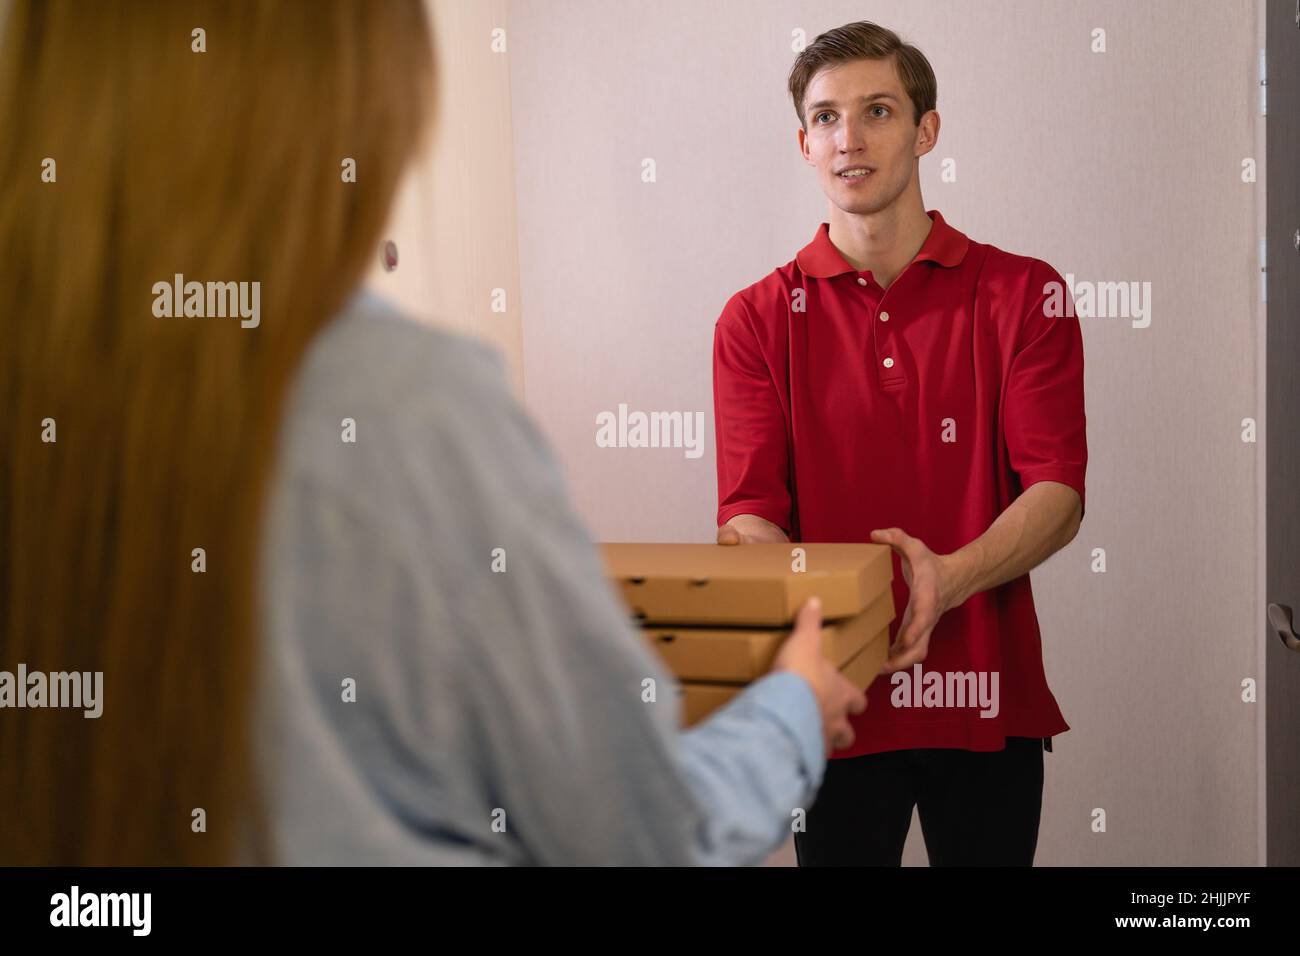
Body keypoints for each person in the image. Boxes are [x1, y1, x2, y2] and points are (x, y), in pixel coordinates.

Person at [0, 0, 863, 866]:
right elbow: (643, 837)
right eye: (825, 116)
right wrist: (790, 708)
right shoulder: (407, 400)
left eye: (873, 111)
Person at [714, 21, 1087, 866]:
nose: (850, 138)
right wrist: (750, 571)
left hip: (986, 700)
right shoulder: (754, 319)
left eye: (877, 110)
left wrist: (947, 579)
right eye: (828, 118)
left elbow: (1058, 493)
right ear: (804, 143)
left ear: (926, 129)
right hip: (830, 708)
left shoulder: (1027, 294)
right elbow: (749, 511)